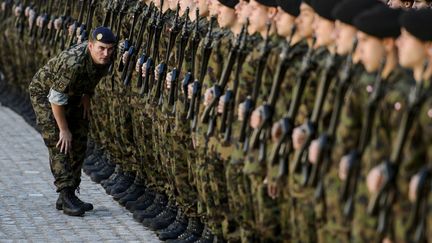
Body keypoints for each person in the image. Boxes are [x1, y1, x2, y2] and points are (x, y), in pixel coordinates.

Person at [28, 26, 116, 216]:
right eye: (101, 48)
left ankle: (70, 194)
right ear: (90, 46)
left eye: (109, 49)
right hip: (46, 95)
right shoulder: (73, 63)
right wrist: (63, 129)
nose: (106, 53)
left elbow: (91, 76)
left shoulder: (106, 57)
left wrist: (86, 94)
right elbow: (55, 98)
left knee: (80, 140)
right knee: (60, 142)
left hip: (74, 94)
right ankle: (65, 193)